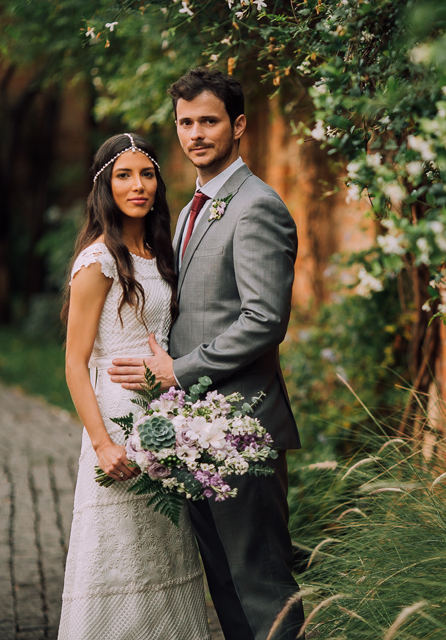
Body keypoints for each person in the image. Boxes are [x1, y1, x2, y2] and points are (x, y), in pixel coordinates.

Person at [109, 68, 305, 640]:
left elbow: (265, 320)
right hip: (195, 425)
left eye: (209, 121)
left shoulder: (256, 207)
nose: (196, 133)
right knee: (225, 587)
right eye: (185, 123)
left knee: (261, 585)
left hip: (241, 426)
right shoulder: (194, 206)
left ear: (238, 125)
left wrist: (178, 369)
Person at [59, 133, 209, 640]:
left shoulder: (159, 250)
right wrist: (102, 444)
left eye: (146, 174)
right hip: (115, 417)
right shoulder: (98, 260)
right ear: (105, 186)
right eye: (124, 175)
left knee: (164, 553)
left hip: (163, 416)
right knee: (116, 552)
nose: (138, 185)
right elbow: (75, 363)